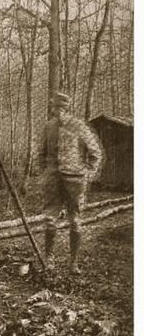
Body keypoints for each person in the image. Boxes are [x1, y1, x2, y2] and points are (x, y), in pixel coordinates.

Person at [41, 92, 103, 274]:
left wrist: (88, 174)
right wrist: (44, 173)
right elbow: (40, 153)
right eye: (55, 108)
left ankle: (73, 263)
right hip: (53, 181)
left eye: (61, 108)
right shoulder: (48, 127)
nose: (58, 112)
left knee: (75, 221)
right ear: (52, 109)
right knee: (50, 220)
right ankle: (49, 260)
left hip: (76, 182)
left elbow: (95, 153)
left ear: (67, 109)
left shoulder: (79, 126)